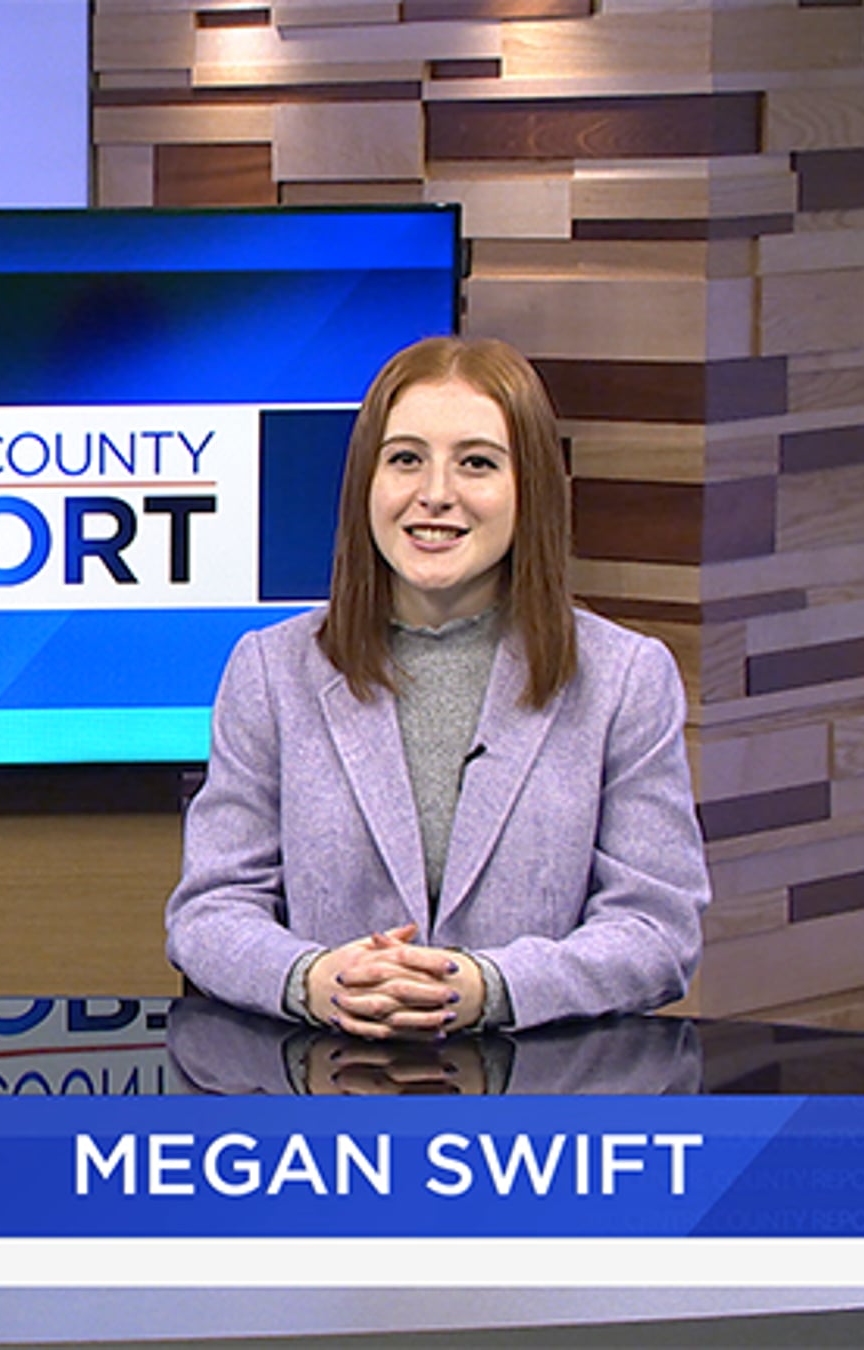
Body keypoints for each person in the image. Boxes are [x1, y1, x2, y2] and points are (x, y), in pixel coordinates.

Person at [164, 335, 707, 1038]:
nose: (436, 495)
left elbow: (657, 930)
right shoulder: (271, 670)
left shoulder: (625, 679)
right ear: (367, 482)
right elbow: (208, 913)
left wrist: (489, 988)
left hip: (541, 1094)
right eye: (405, 460)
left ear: (531, 488)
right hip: (323, 1086)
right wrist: (314, 979)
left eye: (476, 463)